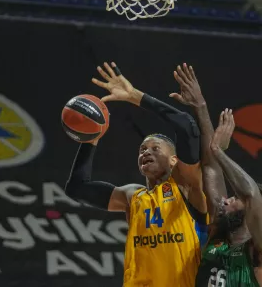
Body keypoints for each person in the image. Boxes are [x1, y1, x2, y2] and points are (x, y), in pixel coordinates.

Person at [65, 62, 208, 287]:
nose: (146, 152)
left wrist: (134, 96)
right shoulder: (133, 197)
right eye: (142, 149)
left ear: (174, 159)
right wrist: (91, 139)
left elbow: (185, 124)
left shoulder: (186, 186)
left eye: (155, 148)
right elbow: (77, 188)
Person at [171, 63, 262, 286]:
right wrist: (200, 106)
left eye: (234, 199)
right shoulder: (218, 236)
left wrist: (218, 151)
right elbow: (211, 169)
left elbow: (250, 194)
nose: (227, 199)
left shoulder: (257, 250)